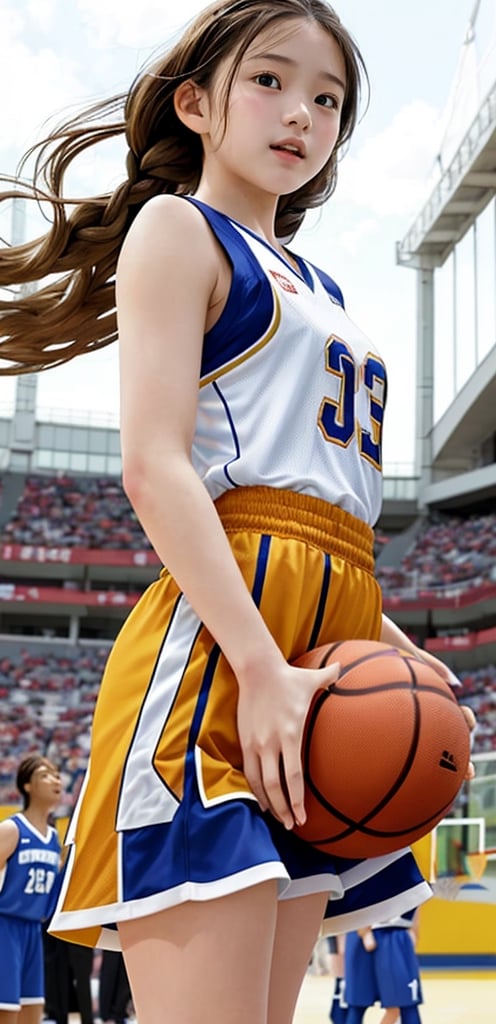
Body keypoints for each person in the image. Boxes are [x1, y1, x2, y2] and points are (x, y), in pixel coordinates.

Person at [0, 2, 475, 1022]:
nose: (299, 112)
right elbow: (156, 467)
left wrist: (386, 639)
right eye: (269, 80)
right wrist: (259, 662)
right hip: (225, 659)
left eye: (327, 98)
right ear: (196, 102)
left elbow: (317, 507)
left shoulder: (328, 287)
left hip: (320, 646)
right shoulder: (177, 228)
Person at [0, 756, 61, 1024]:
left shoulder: (54, 838)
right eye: (46, 775)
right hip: (5, 928)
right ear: (27, 785)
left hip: (33, 931)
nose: (56, 780)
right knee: (6, 1011)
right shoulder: (12, 829)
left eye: (57, 775)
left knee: (32, 1011)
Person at [344, 909, 423, 1024]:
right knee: (358, 1004)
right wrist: (364, 931)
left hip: (396, 932)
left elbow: (416, 894)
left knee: (405, 1003)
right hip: (366, 929)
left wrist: (414, 928)